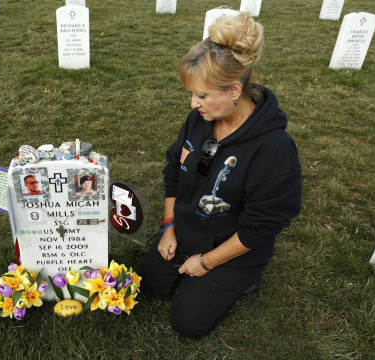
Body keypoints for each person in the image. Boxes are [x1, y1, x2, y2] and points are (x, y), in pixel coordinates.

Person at [139, 12, 302, 339]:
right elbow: (174, 169)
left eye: (201, 95)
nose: (193, 102)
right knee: (148, 286)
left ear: (234, 90)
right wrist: (169, 226)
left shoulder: (273, 149)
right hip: (185, 229)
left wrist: (207, 262)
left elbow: (263, 225)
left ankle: (245, 275)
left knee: (187, 323)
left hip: (231, 246)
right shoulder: (200, 119)